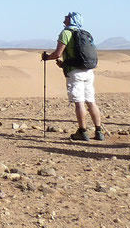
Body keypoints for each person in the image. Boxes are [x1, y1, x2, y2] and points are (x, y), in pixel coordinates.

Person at [42, 11, 105, 141]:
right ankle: (99, 131)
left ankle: (82, 131)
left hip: (75, 73)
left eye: (68, 16)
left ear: (71, 20)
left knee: (79, 102)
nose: (65, 17)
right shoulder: (85, 34)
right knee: (91, 101)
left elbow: (58, 53)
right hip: (88, 71)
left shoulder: (66, 33)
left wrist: (47, 57)